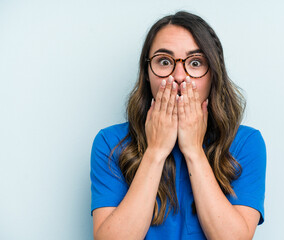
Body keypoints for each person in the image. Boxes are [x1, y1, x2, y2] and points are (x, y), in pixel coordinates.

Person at [90, 11, 266, 240]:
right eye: (164, 62)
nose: (179, 76)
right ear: (147, 74)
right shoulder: (110, 143)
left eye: (195, 62)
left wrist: (193, 150)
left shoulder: (246, 143)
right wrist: (155, 151)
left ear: (213, 74)